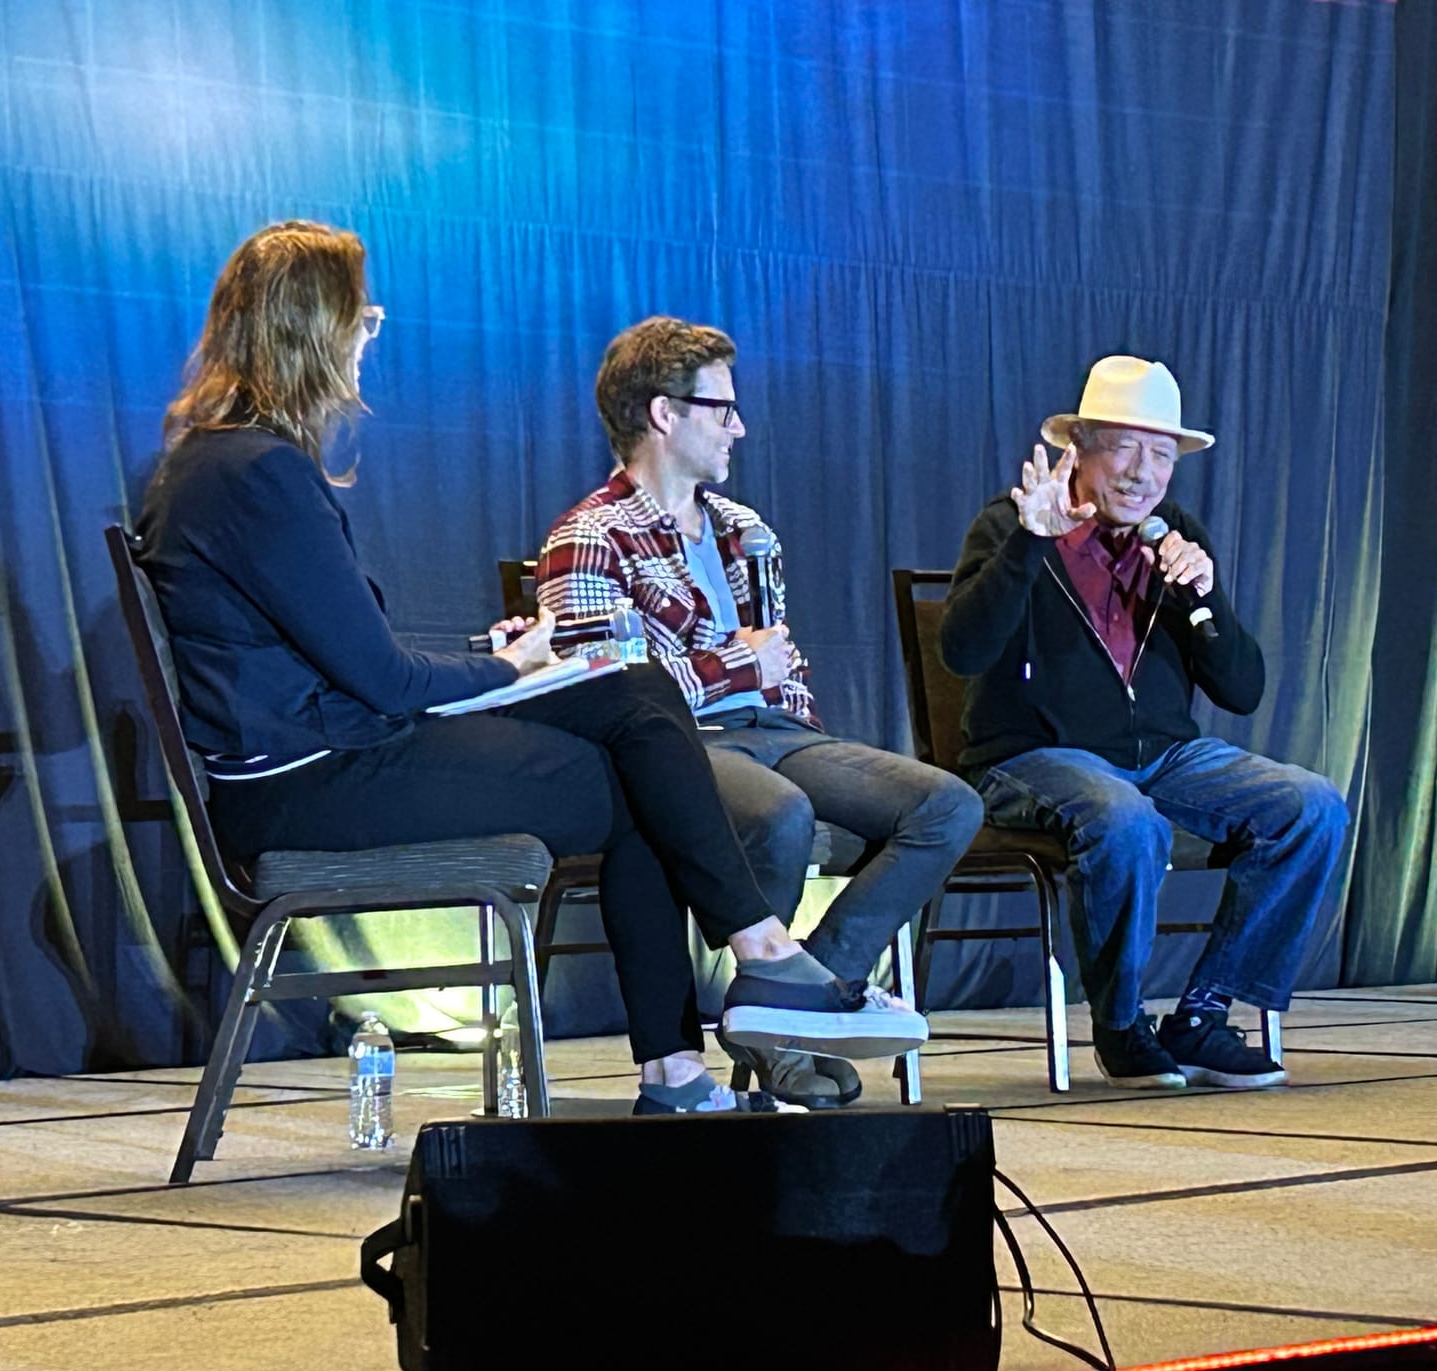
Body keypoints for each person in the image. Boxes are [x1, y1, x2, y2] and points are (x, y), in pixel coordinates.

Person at [134, 221, 926, 1116]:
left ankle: (716, 1023)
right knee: (638, 776)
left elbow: (349, 661)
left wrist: (501, 660)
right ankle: (741, 991)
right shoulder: (256, 475)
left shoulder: (228, 464)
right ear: (311, 330)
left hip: (327, 752)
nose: (368, 339)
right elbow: (386, 684)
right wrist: (509, 672)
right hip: (308, 783)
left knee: (631, 693)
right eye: (364, 319)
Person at [534, 316, 977, 1108]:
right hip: (680, 747)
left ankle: (802, 995)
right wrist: (739, 661)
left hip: (775, 730)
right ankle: (783, 1026)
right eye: (722, 409)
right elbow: (618, 694)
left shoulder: (747, 531)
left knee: (945, 804)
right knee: (781, 815)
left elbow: (784, 663)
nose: (739, 426)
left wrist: (774, 687)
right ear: (664, 414)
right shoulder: (588, 537)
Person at [941, 355, 1348, 1089]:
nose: (1142, 471)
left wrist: (1206, 595)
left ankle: (1202, 1013)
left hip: (1164, 757)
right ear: (1081, 448)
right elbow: (963, 651)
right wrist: (1027, 545)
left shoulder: (1174, 536)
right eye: (1124, 447)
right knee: (1125, 820)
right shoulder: (1013, 524)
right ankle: (1123, 1025)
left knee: (1310, 805)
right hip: (1034, 757)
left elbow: (1242, 688)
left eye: (1161, 454)